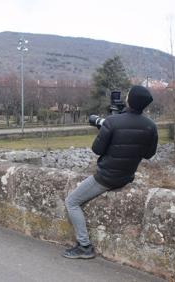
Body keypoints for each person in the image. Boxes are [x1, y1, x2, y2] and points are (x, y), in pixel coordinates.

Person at [63, 85, 158, 259]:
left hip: (106, 178)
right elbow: (148, 154)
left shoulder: (113, 122)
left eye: (128, 94)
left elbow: (97, 149)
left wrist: (107, 127)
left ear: (130, 100)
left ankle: (84, 246)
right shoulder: (150, 126)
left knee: (71, 201)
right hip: (127, 177)